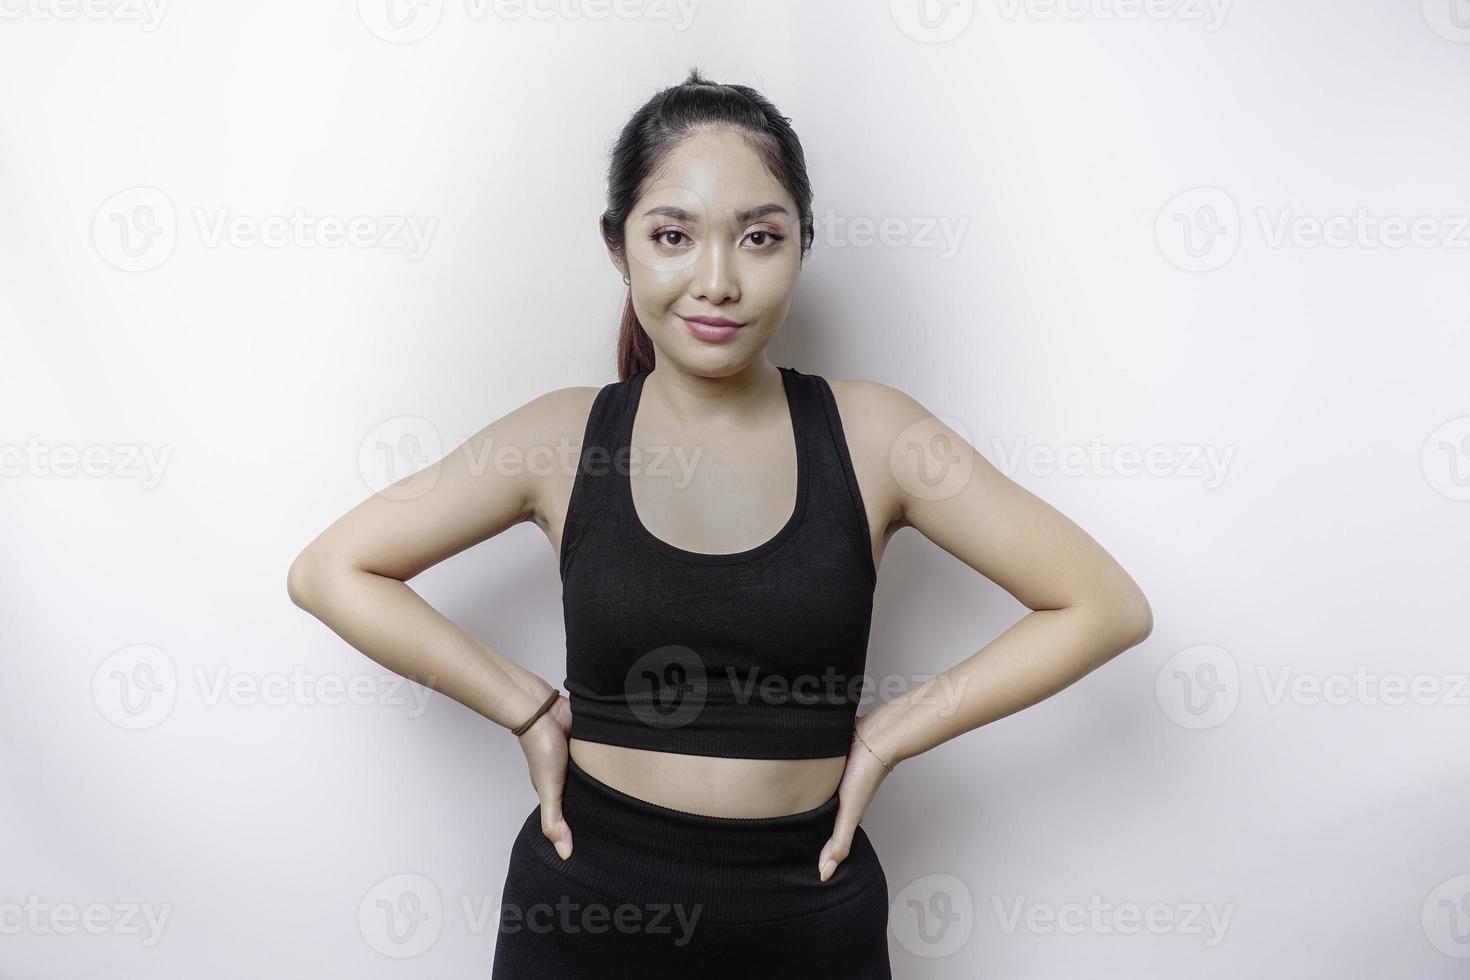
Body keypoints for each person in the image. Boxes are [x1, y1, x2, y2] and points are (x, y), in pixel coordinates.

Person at [287, 68, 1153, 978]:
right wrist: (529, 707)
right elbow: (332, 570)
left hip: (808, 914)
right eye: (672, 235)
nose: (717, 281)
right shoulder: (560, 438)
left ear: (802, 245)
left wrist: (894, 733)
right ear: (619, 249)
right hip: (585, 913)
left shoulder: (877, 436)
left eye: (759, 238)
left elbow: (1102, 604)